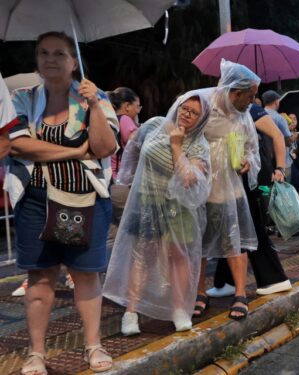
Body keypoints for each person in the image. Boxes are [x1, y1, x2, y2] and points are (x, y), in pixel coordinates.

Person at [9, 31, 119, 374]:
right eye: (43, 53)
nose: (51, 59)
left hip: (84, 200)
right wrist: (73, 151)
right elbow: (20, 146)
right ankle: (36, 353)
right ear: (37, 60)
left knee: (85, 276)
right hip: (35, 202)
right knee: (40, 278)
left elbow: (104, 148)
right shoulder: (22, 98)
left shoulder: (93, 97)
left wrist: (96, 106)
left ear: (74, 61)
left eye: (60, 53)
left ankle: (92, 345)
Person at [103, 90, 211, 335]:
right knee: (143, 255)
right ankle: (131, 311)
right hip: (147, 200)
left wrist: (176, 146)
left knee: (179, 256)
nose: (187, 114)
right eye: (185, 108)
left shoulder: (198, 144)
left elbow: (187, 179)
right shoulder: (154, 124)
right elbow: (132, 147)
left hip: (178, 207)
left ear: (201, 119)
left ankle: (179, 309)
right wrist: (126, 178)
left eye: (195, 113)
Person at [206, 63, 291, 301]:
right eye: (252, 94)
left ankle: (273, 278)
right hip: (227, 177)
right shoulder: (215, 109)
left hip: (249, 175)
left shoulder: (250, 111)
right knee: (231, 227)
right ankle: (226, 280)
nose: (255, 99)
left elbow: (277, 136)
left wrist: (279, 168)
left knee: (249, 225)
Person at [107, 87, 141, 181]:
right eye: (137, 106)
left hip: (110, 176)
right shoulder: (125, 120)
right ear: (127, 106)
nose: (138, 111)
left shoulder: (112, 119)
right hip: (120, 179)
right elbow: (138, 146)